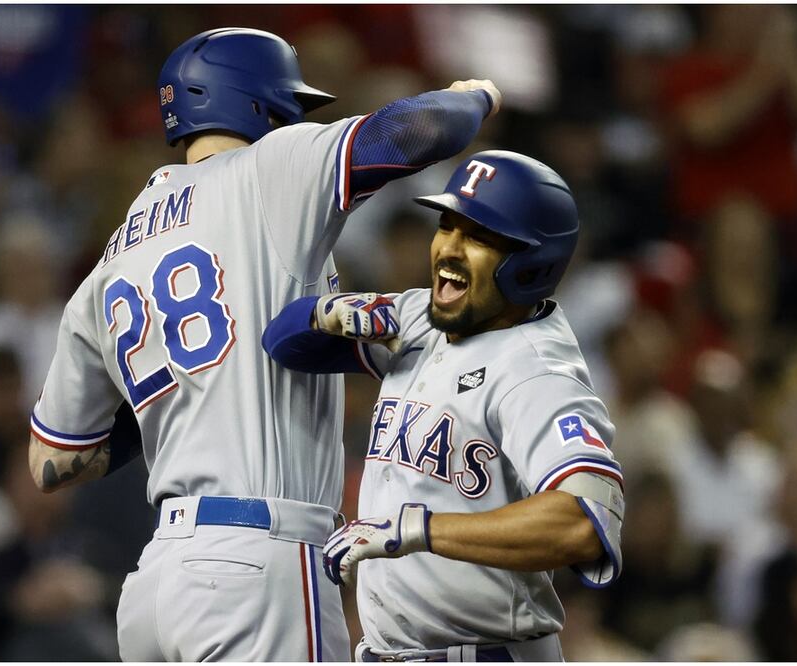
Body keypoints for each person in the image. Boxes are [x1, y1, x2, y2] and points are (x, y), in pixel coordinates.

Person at [26, 27, 501, 662]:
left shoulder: (111, 260)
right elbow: (415, 130)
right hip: (258, 560)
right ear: (258, 105)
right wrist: (477, 97)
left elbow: (53, 462)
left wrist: (183, 401)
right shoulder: (268, 170)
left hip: (156, 585)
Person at [263, 150, 624, 661]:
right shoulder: (425, 317)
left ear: (531, 264)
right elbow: (283, 343)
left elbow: (583, 523)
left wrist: (416, 529)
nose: (447, 250)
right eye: (447, 226)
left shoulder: (537, 373)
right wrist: (327, 312)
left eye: (477, 237)